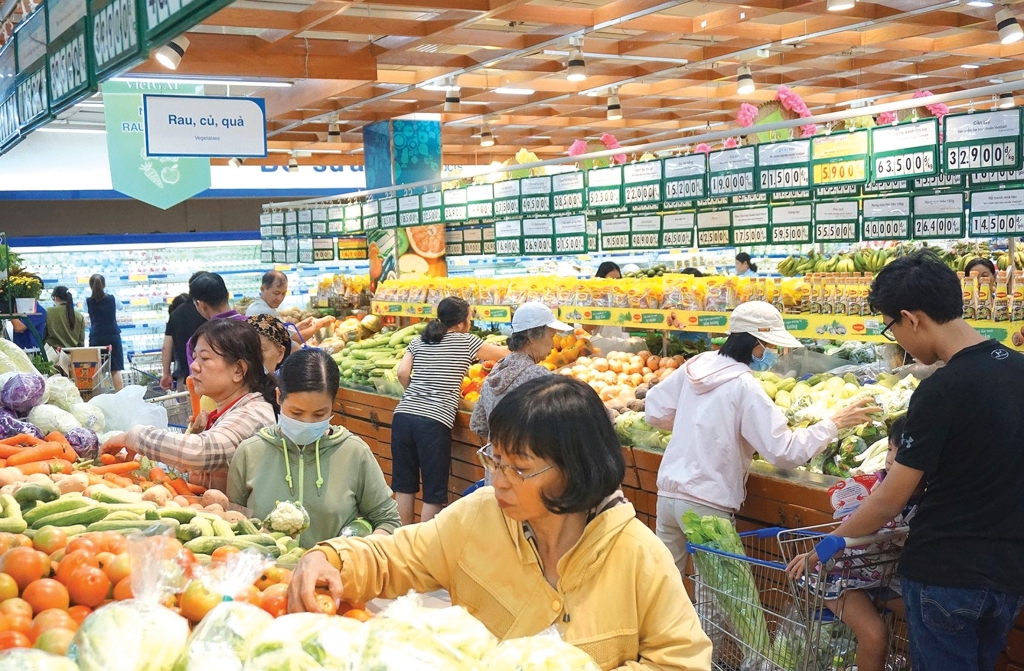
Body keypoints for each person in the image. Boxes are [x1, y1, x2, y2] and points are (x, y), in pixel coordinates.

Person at [286, 376, 713, 670]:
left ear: (576, 469)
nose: (499, 480)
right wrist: (330, 560)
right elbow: (394, 557)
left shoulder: (638, 555)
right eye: (495, 459)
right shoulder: (479, 516)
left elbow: (681, 661)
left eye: (519, 468)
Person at [785, 251, 1024, 671]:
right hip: (1010, 574)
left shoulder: (939, 391)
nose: (895, 338)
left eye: (890, 327)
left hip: (945, 574)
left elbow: (890, 498)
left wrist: (830, 544)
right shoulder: (1019, 369)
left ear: (910, 319)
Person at [646, 301, 880, 575]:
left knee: (665, 582)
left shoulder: (696, 366)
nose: (774, 353)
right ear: (755, 344)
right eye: (771, 346)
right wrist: (833, 424)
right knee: (720, 592)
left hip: (669, 495)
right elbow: (784, 452)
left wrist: (697, 424)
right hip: (707, 502)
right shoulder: (744, 385)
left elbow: (654, 411)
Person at [228, 349, 400, 548]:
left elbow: (388, 521)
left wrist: (354, 552)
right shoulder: (249, 453)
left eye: (319, 414)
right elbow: (233, 521)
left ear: (333, 404)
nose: (306, 422)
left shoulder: (354, 453)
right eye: (296, 413)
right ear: (279, 397)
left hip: (334, 567)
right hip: (267, 568)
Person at [793, 415, 918, 671]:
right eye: (890, 449)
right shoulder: (871, 488)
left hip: (883, 577)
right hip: (842, 576)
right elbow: (851, 526)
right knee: (875, 635)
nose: (891, 459)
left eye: (901, 453)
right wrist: (819, 553)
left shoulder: (929, 495)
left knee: (928, 617)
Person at [102, 319, 276, 492]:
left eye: (205, 358)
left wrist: (135, 437)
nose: (194, 366)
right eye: (195, 358)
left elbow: (200, 451)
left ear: (238, 370)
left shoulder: (254, 413)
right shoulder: (226, 411)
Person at [393, 297, 509, 524]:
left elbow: (402, 373)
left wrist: (416, 394)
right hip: (433, 421)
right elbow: (504, 354)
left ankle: (400, 540)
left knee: (404, 486)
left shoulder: (420, 340)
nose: (470, 323)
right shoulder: (467, 341)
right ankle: (425, 543)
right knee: (433, 492)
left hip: (403, 416)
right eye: (469, 318)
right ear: (460, 323)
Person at [469, 302, 569, 439]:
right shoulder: (540, 378)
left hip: (497, 452)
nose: (552, 345)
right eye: (551, 336)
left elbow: (477, 425)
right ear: (533, 337)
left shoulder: (496, 371)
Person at [185, 272, 245, 367]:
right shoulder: (254, 325)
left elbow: (196, 374)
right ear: (227, 295)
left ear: (201, 305)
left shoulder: (198, 340)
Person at [161, 275, 207, 391]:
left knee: (187, 402)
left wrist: (166, 373)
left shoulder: (176, 314)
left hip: (185, 377)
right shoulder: (208, 310)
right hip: (210, 376)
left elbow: (166, 347)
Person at [85, 275, 125, 391]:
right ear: (104, 284)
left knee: (97, 370)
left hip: (96, 337)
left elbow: (86, 311)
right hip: (113, 336)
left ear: (90, 286)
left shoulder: (87, 301)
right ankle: (120, 396)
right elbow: (121, 307)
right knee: (115, 370)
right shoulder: (113, 298)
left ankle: (99, 395)